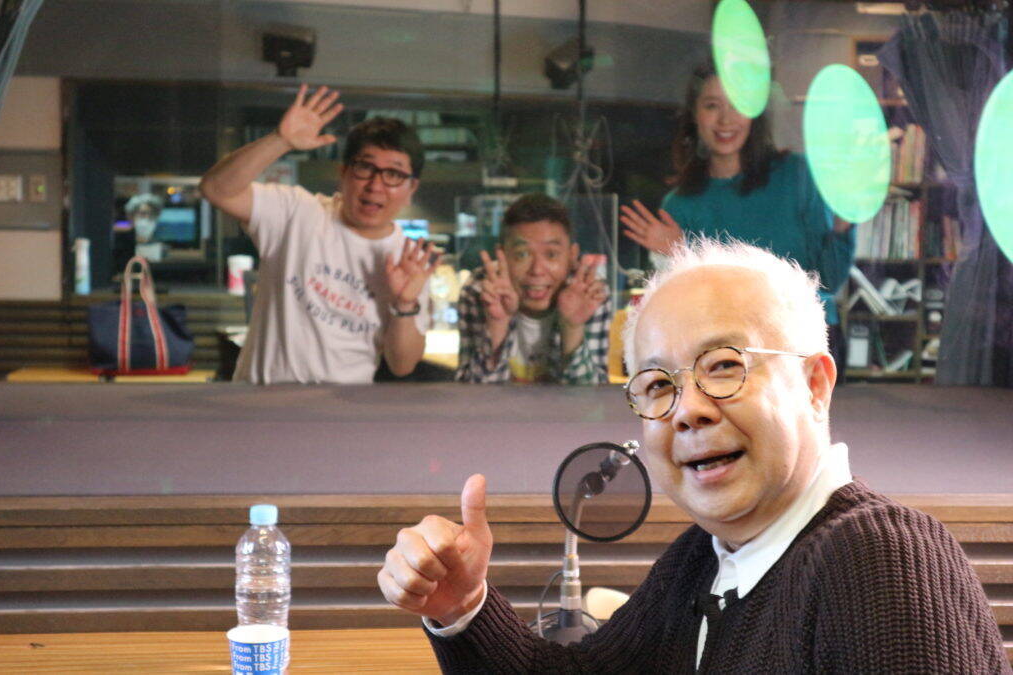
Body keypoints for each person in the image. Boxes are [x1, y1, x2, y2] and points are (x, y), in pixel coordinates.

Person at [377, 238, 1009, 673]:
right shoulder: (703, 560)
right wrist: (462, 608)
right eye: (658, 385)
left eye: (725, 366)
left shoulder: (880, 558)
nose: (688, 410)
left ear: (815, 384)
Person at [619, 62, 855, 367]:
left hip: (805, 344)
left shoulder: (796, 175)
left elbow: (829, 281)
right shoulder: (679, 205)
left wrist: (843, 226)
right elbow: (686, 312)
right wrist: (677, 253)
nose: (725, 119)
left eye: (737, 104)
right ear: (695, 116)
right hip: (724, 353)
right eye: (712, 105)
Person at [200, 85, 436, 384]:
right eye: (365, 167)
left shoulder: (410, 261)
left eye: (394, 174)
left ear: (411, 188)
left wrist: (404, 304)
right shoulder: (296, 213)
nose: (376, 185)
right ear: (343, 173)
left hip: (341, 408)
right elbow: (216, 189)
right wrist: (280, 140)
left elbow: (402, 365)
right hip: (260, 402)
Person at [455, 193, 611, 384]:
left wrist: (572, 328)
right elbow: (471, 396)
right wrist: (497, 325)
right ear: (502, 255)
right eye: (522, 254)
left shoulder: (588, 293)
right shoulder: (481, 290)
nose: (537, 270)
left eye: (551, 254)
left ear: (572, 256)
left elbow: (591, 398)